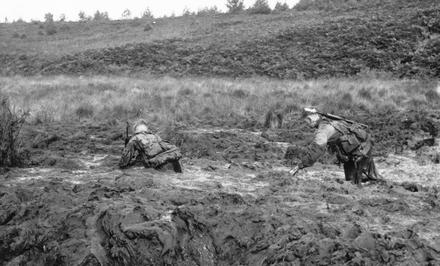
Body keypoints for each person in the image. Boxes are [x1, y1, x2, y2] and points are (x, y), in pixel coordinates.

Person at [285, 107, 381, 184]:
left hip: (360, 151)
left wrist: (300, 165)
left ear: (313, 120)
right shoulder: (329, 120)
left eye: (308, 121)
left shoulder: (323, 130)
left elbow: (316, 151)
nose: (307, 124)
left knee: (362, 181)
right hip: (358, 148)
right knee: (354, 180)